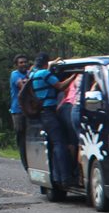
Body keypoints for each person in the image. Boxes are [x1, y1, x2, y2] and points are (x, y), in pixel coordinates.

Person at [28, 53, 76, 189]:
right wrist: (74, 76)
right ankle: (65, 177)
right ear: (45, 63)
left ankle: (56, 177)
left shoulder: (34, 74)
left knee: (53, 144)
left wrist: (53, 63)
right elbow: (60, 86)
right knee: (60, 143)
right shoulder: (44, 74)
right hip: (49, 111)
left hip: (42, 113)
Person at [9, 54, 31, 168]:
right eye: (21, 62)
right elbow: (23, 86)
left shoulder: (29, 73)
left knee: (30, 138)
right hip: (18, 111)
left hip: (29, 110)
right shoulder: (15, 75)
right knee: (21, 138)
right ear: (16, 65)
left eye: (25, 62)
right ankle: (26, 165)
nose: (23, 64)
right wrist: (30, 78)